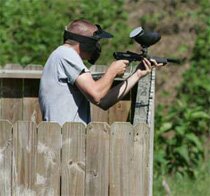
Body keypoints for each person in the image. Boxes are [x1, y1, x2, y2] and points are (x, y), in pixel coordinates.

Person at [39, 19, 162, 126]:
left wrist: (137, 74)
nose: (97, 46)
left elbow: (103, 102)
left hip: (68, 139)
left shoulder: (63, 56)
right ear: (86, 42)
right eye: (96, 42)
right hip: (63, 140)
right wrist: (112, 71)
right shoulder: (66, 54)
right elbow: (97, 95)